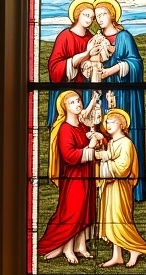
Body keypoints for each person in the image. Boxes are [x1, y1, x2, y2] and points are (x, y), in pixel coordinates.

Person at [37, 90, 105, 264]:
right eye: (73, 102)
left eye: (78, 101)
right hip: (74, 176)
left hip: (86, 174)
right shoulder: (65, 129)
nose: (78, 104)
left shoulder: (81, 126)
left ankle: (80, 245)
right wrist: (90, 147)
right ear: (64, 107)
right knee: (73, 212)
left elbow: (88, 146)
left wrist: (95, 143)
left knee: (85, 210)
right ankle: (67, 248)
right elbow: (69, 156)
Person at [93, 0, 146, 202]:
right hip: (103, 95)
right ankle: (102, 184)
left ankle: (130, 186)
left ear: (112, 15)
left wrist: (113, 70)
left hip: (125, 95)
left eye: (103, 14)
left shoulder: (124, 37)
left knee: (122, 130)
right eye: (97, 16)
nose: (100, 19)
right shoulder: (97, 39)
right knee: (102, 131)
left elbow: (136, 64)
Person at [95, 108, 146, 268]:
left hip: (120, 187)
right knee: (111, 220)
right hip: (110, 188)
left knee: (120, 220)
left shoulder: (126, 143)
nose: (108, 124)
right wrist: (102, 153)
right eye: (106, 122)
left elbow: (123, 167)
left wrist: (103, 158)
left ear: (122, 124)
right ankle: (117, 255)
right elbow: (109, 159)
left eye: (112, 121)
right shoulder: (112, 143)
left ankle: (134, 249)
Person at [46, 0, 107, 126]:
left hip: (86, 90)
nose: (89, 19)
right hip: (67, 91)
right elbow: (54, 68)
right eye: (86, 15)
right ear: (77, 15)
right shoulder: (65, 36)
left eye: (92, 17)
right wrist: (85, 54)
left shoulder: (91, 38)